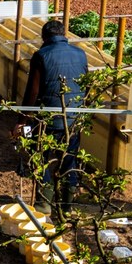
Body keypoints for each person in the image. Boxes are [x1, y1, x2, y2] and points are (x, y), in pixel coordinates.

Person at [17, 20, 89, 212]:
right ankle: (67, 207)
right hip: (73, 118)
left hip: (47, 119)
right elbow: (86, 86)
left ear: (44, 37)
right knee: (69, 160)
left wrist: (22, 120)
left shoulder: (41, 55)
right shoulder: (81, 54)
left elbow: (32, 91)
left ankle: (43, 204)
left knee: (38, 156)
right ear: (64, 34)